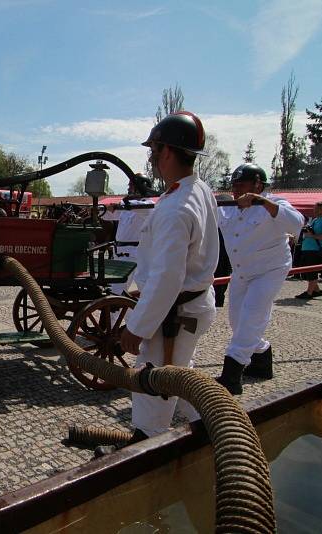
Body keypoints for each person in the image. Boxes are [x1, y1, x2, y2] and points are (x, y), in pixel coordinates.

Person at [95, 111, 218, 457]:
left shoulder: (176, 207)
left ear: (166, 151)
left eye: (153, 149)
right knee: (182, 372)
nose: (151, 157)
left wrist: (137, 326)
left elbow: (168, 277)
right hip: (190, 305)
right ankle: (209, 430)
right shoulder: (197, 190)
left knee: (153, 382)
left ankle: (146, 447)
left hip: (172, 316)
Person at [214, 164, 304, 395]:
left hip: (269, 269)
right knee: (237, 322)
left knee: (252, 316)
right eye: (233, 185)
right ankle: (262, 358)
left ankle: (231, 376)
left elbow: (297, 224)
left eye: (241, 184)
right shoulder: (229, 207)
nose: (235, 189)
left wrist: (262, 202)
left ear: (258, 185)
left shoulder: (275, 203)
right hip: (242, 271)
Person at [102, 173, 157, 296]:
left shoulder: (148, 205)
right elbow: (108, 215)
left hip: (135, 255)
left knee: (119, 290)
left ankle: (115, 313)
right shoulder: (126, 206)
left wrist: (118, 205)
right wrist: (97, 210)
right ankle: (127, 313)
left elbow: (135, 206)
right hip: (120, 253)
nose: (128, 187)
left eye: (131, 185)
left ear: (141, 187)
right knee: (119, 289)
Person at [294, 201, 322, 299]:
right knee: (307, 271)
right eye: (315, 208)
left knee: (312, 271)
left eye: (318, 208)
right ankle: (316, 290)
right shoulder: (316, 219)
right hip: (307, 248)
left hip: (314, 250)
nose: (315, 210)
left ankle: (309, 292)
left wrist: (312, 235)